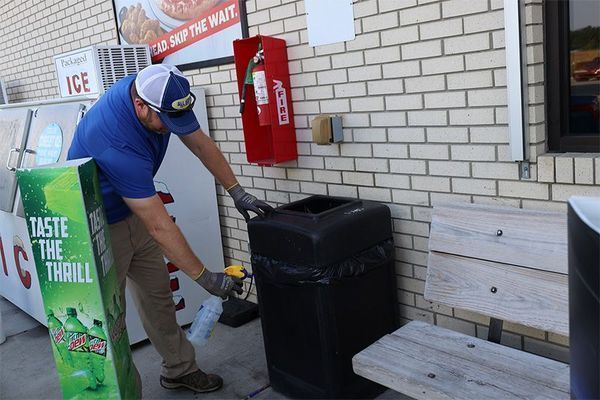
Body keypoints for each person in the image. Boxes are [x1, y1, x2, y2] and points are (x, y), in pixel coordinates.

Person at [67, 64, 272, 394]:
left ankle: (179, 369)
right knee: (107, 320)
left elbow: (201, 143)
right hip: (99, 226)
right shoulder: (115, 141)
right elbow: (159, 225)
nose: (171, 129)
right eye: (165, 121)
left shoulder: (157, 95)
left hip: (134, 216)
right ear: (140, 107)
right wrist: (207, 278)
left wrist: (237, 191)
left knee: (158, 298)